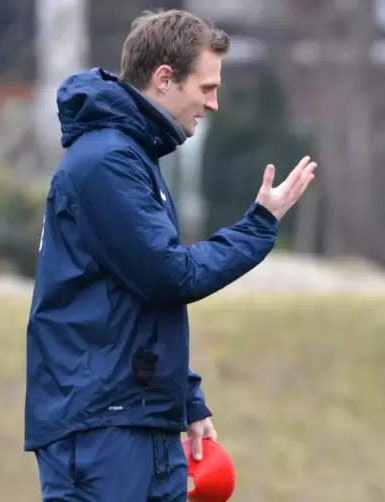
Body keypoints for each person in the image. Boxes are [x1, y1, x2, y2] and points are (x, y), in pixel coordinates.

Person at [24, 9, 316, 501]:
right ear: (164, 79)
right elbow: (168, 276)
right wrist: (258, 228)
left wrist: (186, 397)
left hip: (137, 419)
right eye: (206, 88)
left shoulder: (132, 157)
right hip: (103, 427)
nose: (215, 104)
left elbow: (136, 300)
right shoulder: (106, 162)